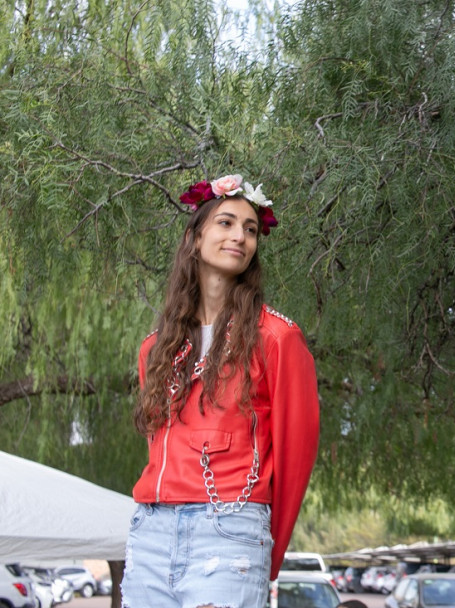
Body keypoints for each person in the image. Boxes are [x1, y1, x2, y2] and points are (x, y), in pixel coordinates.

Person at [121, 174, 319, 608]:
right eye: (226, 223)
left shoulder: (278, 338)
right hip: (150, 532)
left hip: (231, 532)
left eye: (250, 229)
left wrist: (267, 550)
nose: (240, 237)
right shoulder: (154, 348)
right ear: (194, 238)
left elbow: (294, 459)